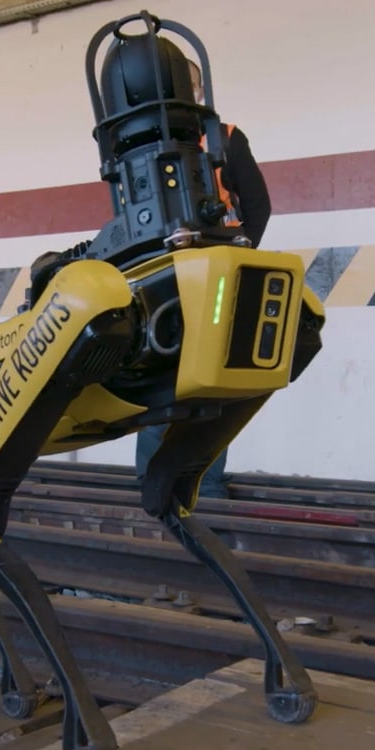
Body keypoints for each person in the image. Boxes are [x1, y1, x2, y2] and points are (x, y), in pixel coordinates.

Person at [135, 59, 272, 499]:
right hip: (165, 278)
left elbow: (257, 206)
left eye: (187, 85)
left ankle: (202, 489)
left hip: (216, 277)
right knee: (164, 381)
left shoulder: (224, 138)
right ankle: (154, 489)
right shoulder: (139, 143)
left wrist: (236, 252)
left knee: (211, 383)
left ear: (199, 90)